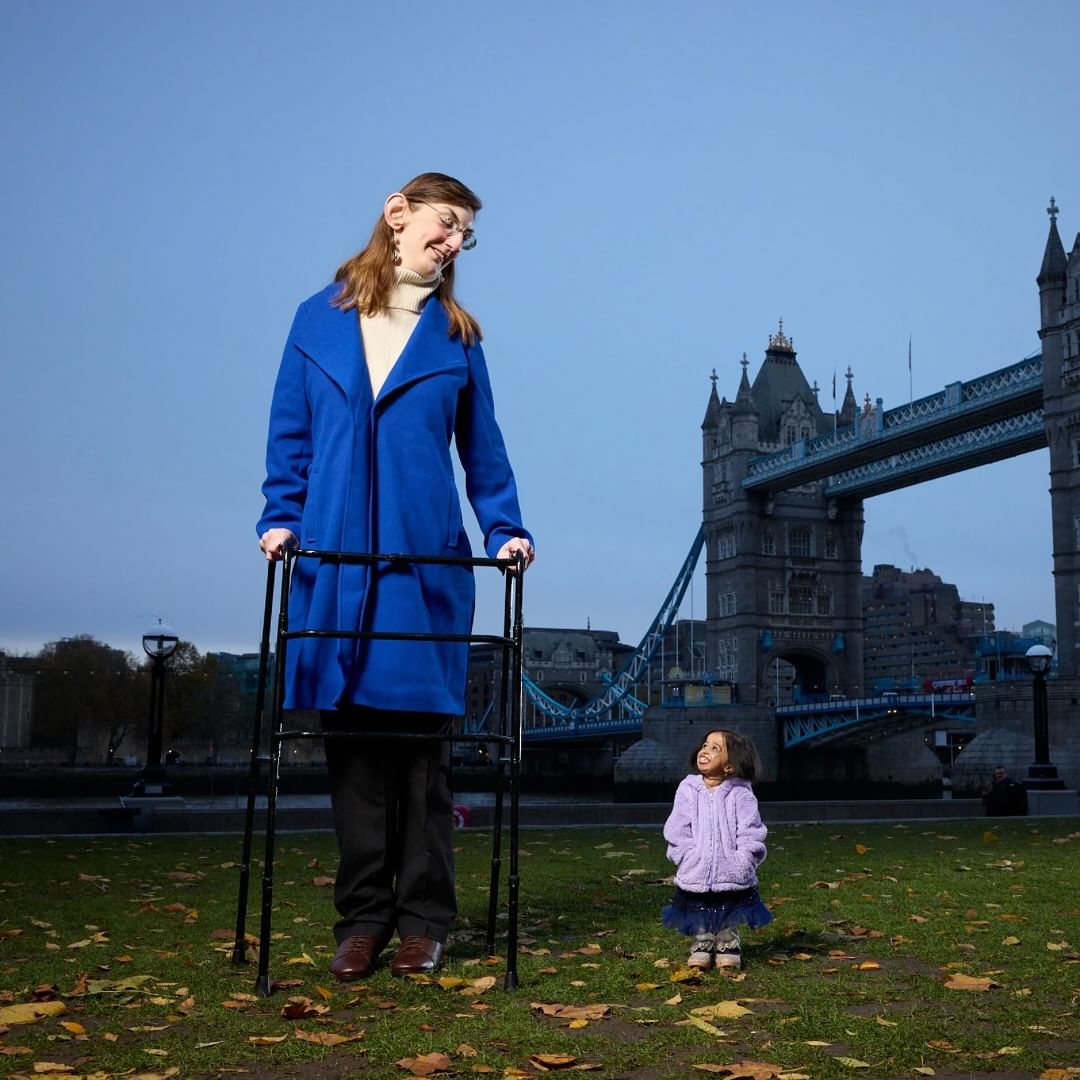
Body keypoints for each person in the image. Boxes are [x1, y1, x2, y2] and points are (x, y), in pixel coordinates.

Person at [256, 173, 534, 982]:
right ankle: (362, 921)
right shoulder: (318, 320)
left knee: (420, 763)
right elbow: (290, 433)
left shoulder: (456, 336)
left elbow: (483, 449)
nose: (453, 246)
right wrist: (280, 514)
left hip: (423, 570)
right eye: (446, 226)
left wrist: (506, 528)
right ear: (397, 215)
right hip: (334, 567)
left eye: (464, 239)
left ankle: (424, 922)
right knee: (353, 761)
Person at [662, 729, 772, 970]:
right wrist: (684, 854)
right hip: (696, 866)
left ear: (730, 766)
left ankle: (727, 943)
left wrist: (744, 859)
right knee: (700, 909)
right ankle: (702, 943)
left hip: (731, 868)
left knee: (727, 909)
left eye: (715, 748)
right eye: (704, 745)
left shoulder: (741, 793)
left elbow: (751, 830)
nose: (705, 750)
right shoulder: (688, 789)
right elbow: (677, 826)